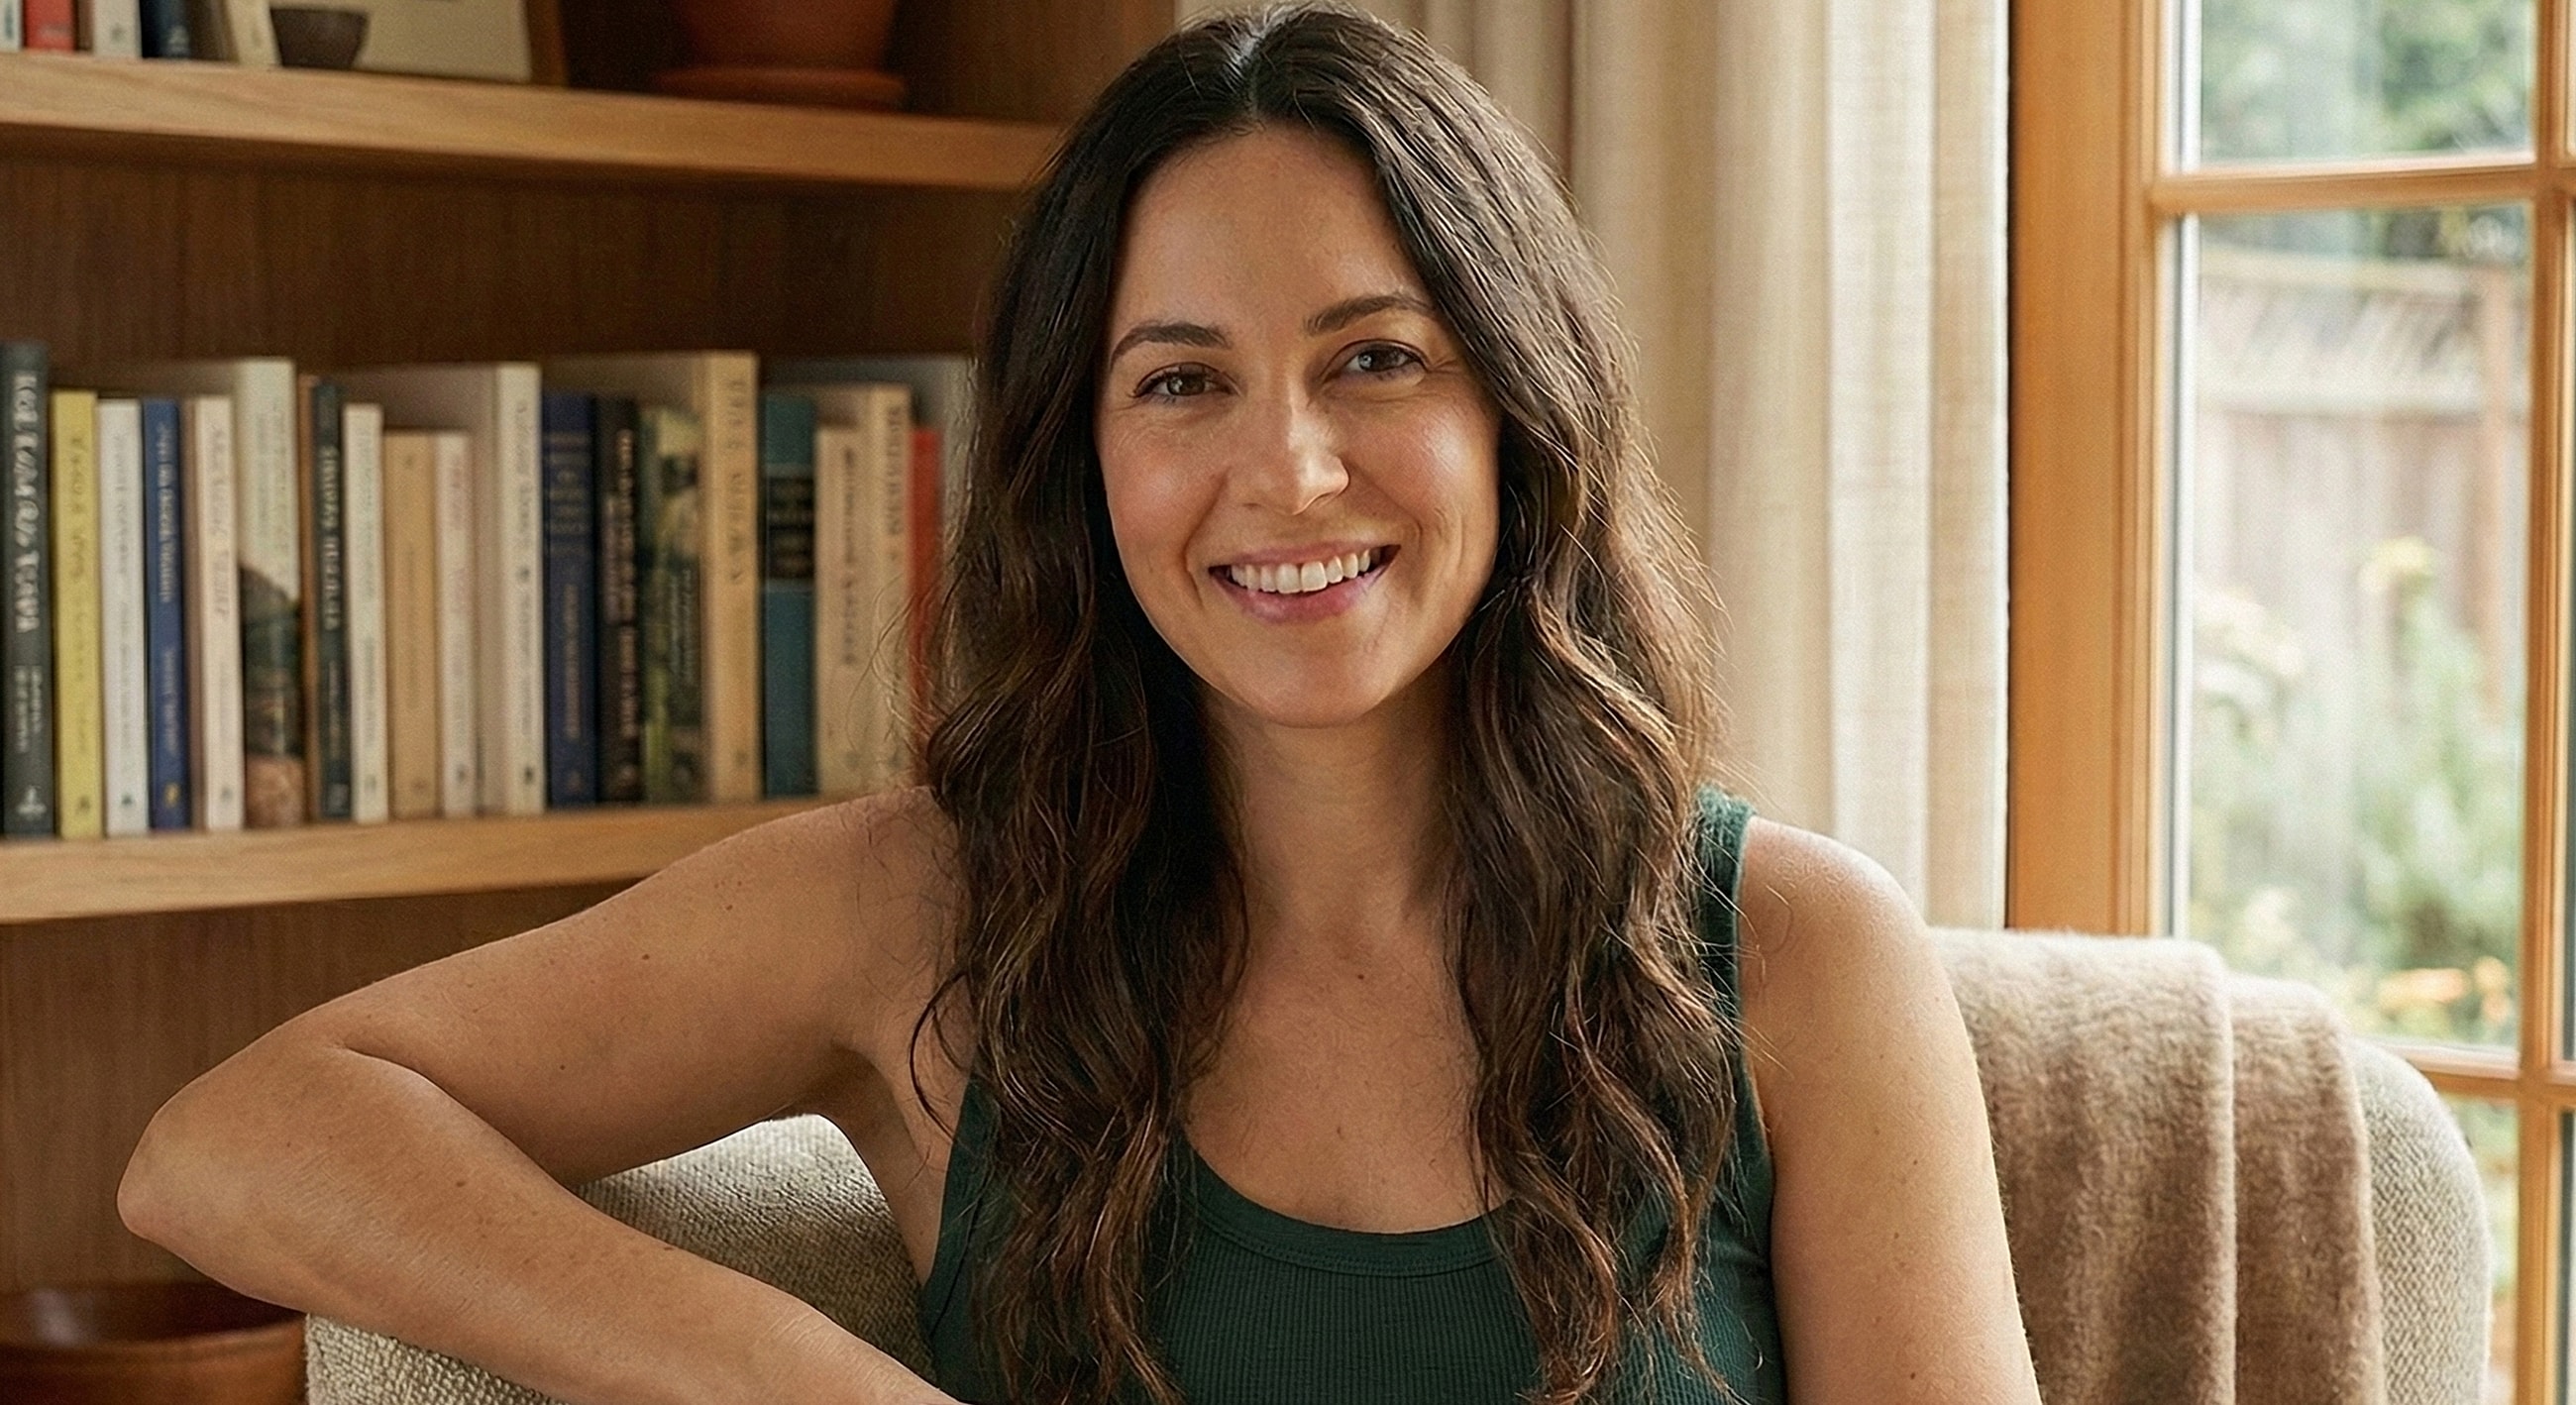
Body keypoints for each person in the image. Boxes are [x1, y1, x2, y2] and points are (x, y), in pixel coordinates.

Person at [118, 7, 2041, 1404]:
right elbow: (231, 1137)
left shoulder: (1786, 950)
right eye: (1181, 380)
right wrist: (801, 1379)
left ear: (1516, 412)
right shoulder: (922, 908)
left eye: (1373, 358)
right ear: (1082, 452)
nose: (1285, 470)